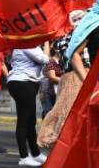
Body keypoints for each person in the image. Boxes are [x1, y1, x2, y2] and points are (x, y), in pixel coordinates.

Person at [38, 10, 85, 150]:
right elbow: (51, 75)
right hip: (67, 82)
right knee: (65, 115)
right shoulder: (65, 44)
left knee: (67, 115)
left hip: (66, 82)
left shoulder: (64, 41)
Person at [8, 45, 49, 166]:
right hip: (23, 82)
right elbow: (45, 60)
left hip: (26, 82)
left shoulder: (29, 44)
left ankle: (35, 154)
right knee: (23, 121)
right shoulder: (26, 44)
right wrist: (46, 42)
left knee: (31, 121)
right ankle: (23, 157)